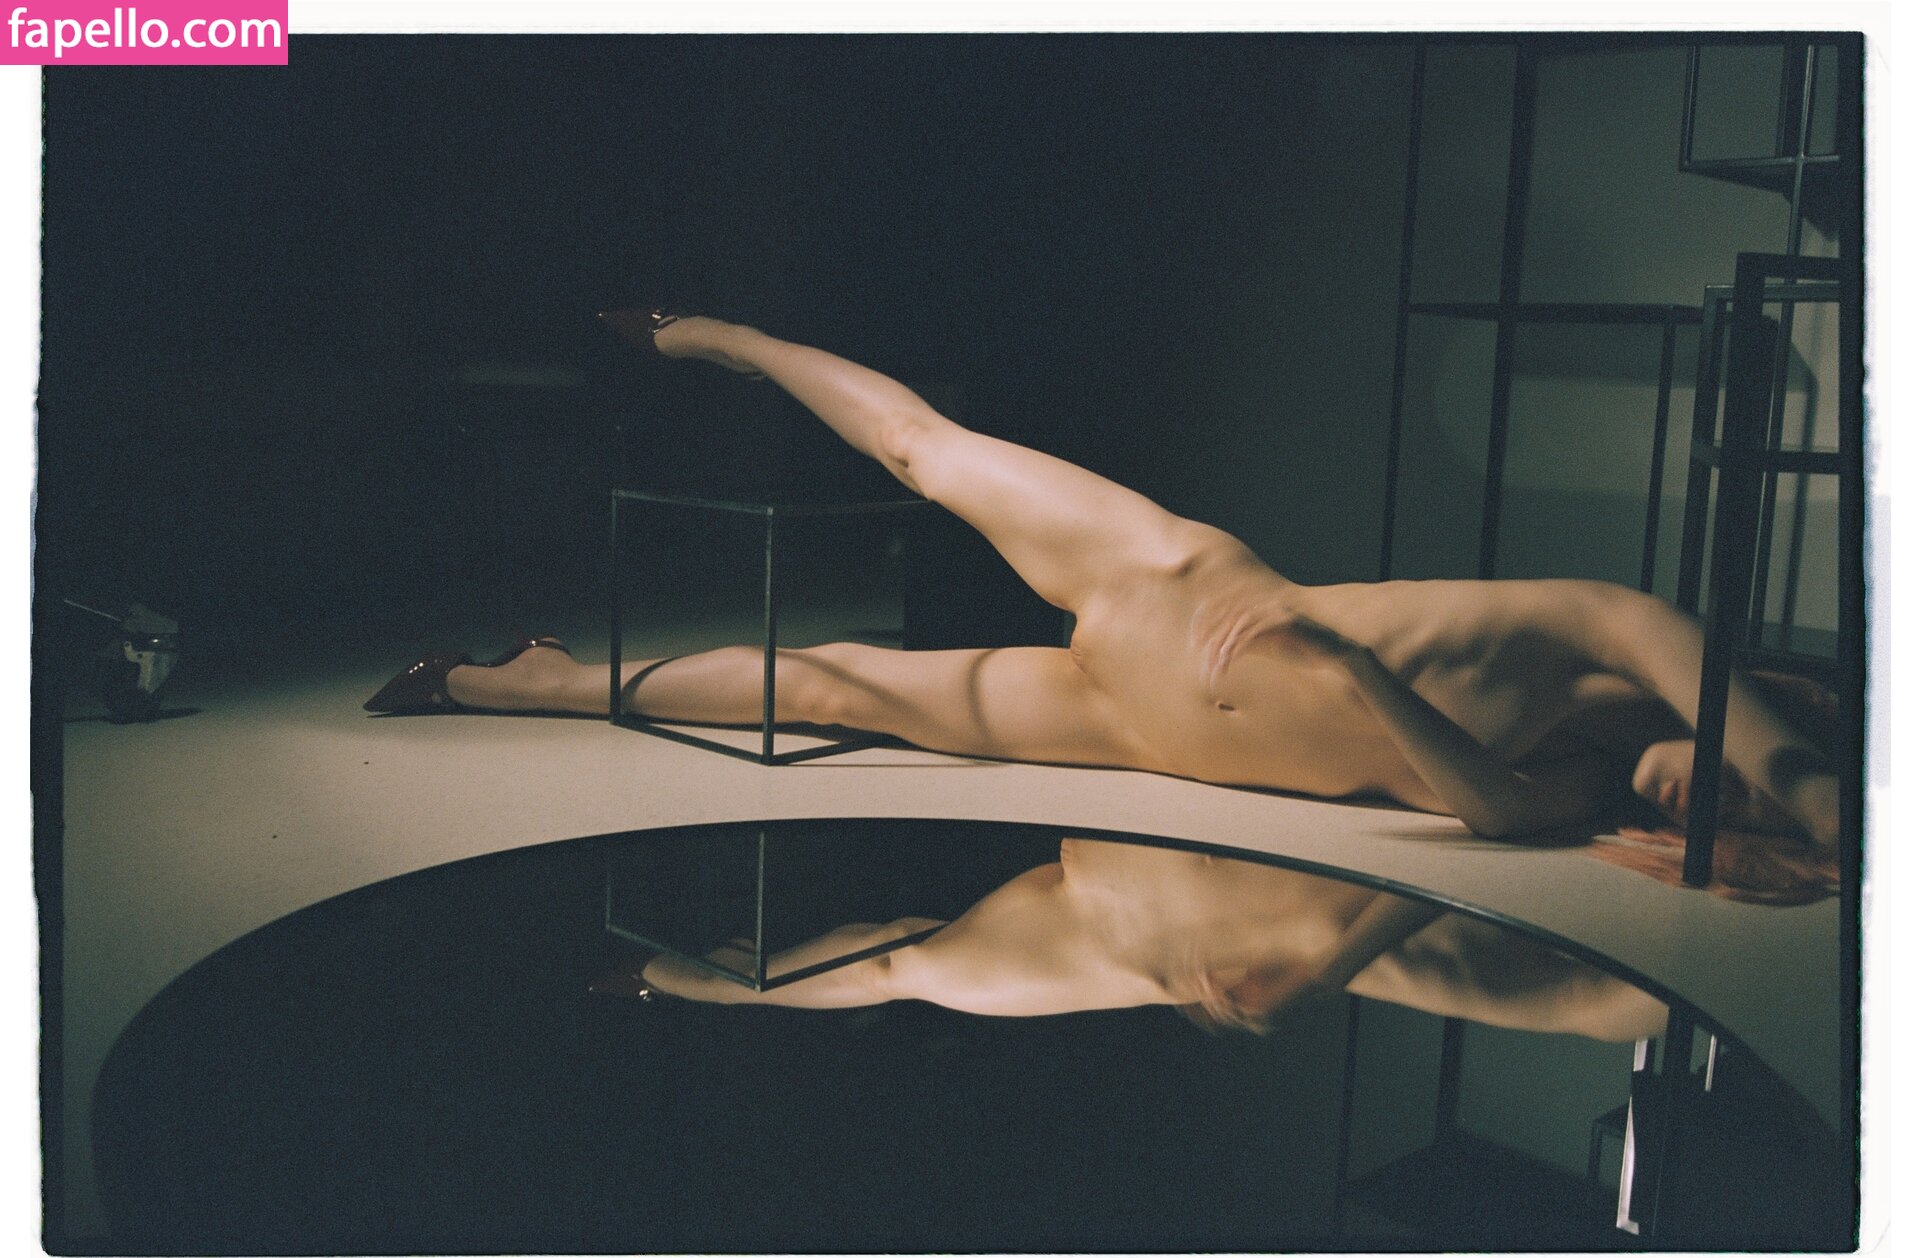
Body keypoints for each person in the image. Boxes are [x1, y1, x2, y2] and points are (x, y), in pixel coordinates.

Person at [365, 310, 1840, 850]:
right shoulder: (1631, 632)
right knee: (928, 454)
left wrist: (1359, 676)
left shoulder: (1573, 791)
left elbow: (1491, 813)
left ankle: (538, 683)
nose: (1693, 802)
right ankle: (722, 338)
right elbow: (1813, 783)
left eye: (1712, 828)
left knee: (837, 693)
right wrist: (1821, 808)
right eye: (1731, 788)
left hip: (1155, 733)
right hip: (1174, 591)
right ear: (1749, 731)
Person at [600, 836, 1668, 1044]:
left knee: (901, 959)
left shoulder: (1471, 958)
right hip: (1128, 883)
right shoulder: (1568, 834)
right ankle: (696, 979)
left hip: (1120, 930)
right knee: (899, 956)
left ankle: (693, 980)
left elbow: (1590, 1005)